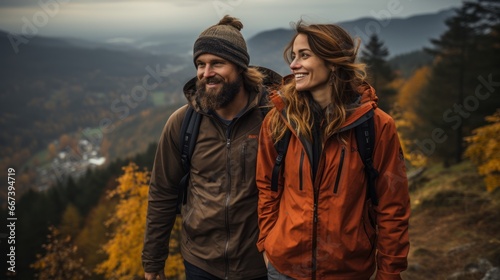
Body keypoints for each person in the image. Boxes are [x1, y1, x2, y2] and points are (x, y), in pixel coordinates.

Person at [256, 20, 410, 279]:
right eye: (293, 56)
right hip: (285, 269)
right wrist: (268, 243)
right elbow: (267, 188)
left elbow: (392, 206)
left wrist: (389, 272)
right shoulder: (278, 121)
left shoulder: (376, 126)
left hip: (348, 270)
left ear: (333, 61)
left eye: (304, 55)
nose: (294, 65)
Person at [142, 15, 281, 280]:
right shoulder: (183, 123)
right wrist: (153, 262)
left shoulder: (273, 118)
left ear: (240, 67)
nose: (207, 73)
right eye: (200, 64)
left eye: (217, 63)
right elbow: (162, 193)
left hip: (261, 263)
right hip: (200, 264)